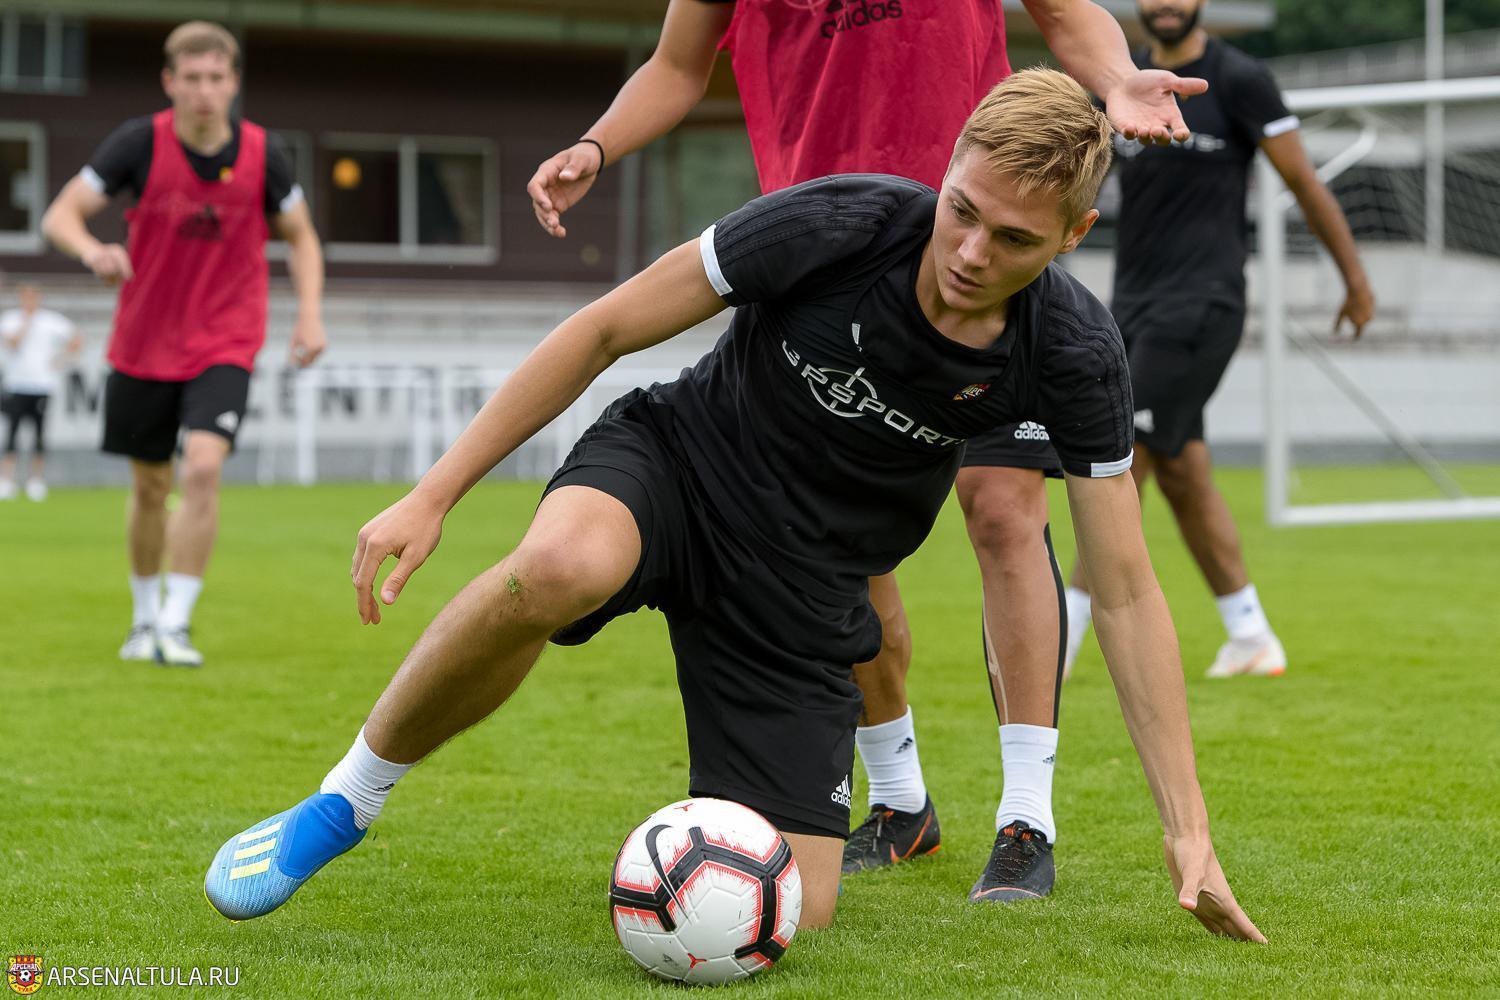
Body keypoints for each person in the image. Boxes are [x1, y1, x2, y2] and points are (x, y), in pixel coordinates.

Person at [205, 70, 1264, 943]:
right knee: (558, 567)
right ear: (944, 174)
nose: (971, 253)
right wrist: (434, 494)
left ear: (1073, 235)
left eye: (1015, 240)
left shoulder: (1074, 353)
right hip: (679, 468)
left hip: (802, 591)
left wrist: (1189, 832)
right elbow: (605, 330)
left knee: (797, 905)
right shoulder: (842, 222)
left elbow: (1125, 592)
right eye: (962, 211)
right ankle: (344, 800)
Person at [526, 0, 1207, 901]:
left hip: (983, 244)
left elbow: (1066, 14)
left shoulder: (1029, 282)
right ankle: (899, 798)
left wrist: (1116, 81)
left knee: (1004, 510)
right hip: (834, 254)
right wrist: (597, 144)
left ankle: (1026, 819)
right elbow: (678, 65)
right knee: (842, 542)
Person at [1062, 0, 1375, 680]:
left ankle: (1063, 635)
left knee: (1120, 456)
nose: (1166, 5)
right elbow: (1076, 180)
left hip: (1204, 303)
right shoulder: (1120, 81)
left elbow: (1302, 181)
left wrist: (1355, 280)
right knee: (1182, 473)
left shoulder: (1240, 79)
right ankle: (1251, 635)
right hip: (1129, 305)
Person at [40, 21, 327, 668]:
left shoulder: (264, 154)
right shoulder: (137, 142)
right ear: (170, 82)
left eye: (216, 78)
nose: (204, 91)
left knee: (202, 467)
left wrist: (310, 315)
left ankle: (176, 623)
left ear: (233, 82)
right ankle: (144, 619)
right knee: (150, 486)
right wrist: (93, 250)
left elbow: (302, 237)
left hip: (226, 338)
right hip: (143, 342)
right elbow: (60, 214)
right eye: (191, 78)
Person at [0, 283, 82, 501]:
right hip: (16, 385)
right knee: (12, 434)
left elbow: (76, 338)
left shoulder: (50, 320)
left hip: (42, 386)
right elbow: (13, 343)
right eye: (26, 297)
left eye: (33, 297)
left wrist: (61, 359)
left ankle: (35, 481)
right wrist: (26, 323)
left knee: (39, 435)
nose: (29, 301)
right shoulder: (10, 319)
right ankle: (6, 480)